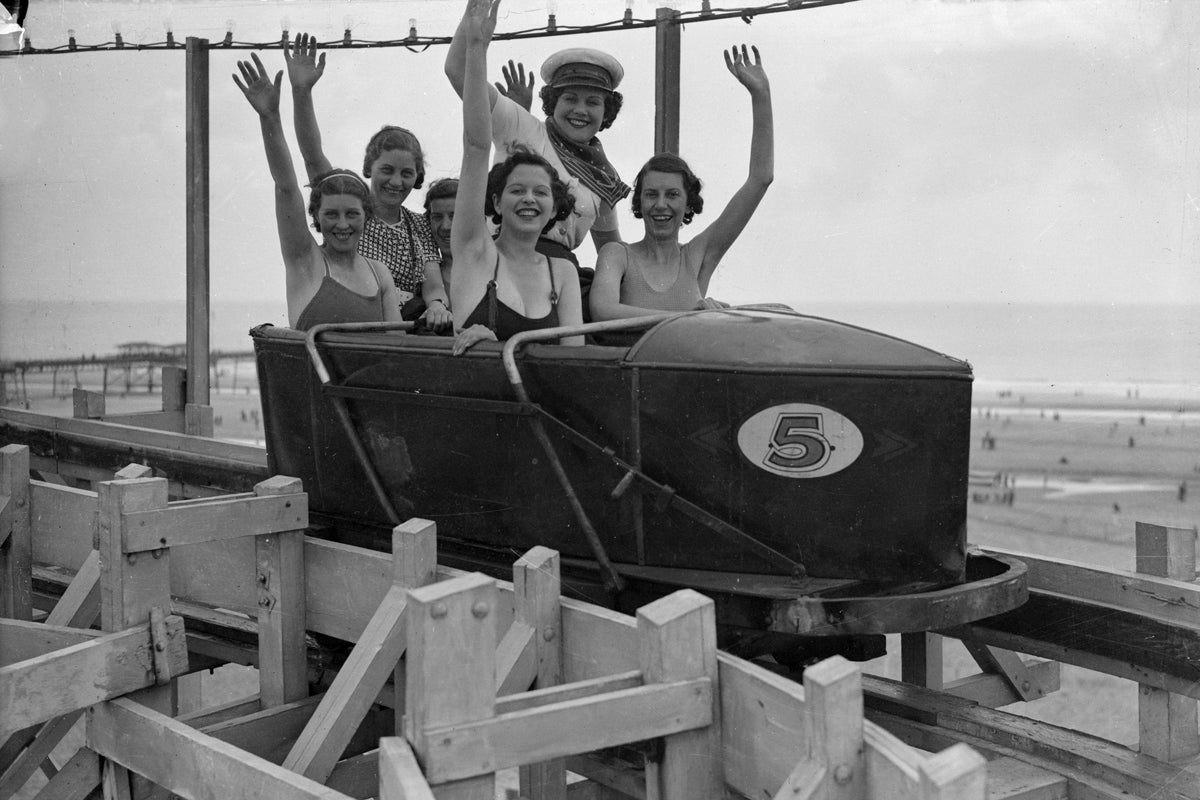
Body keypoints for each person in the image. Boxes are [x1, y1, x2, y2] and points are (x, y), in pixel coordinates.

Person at [445, 11, 630, 315]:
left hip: (558, 282)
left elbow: (610, 253)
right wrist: (471, 22)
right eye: (570, 98)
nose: (580, 110)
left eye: (593, 102)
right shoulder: (522, 126)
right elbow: (456, 71)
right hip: (496, 267)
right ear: (552, 102)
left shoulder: (605, 178)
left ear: (606, 112)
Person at [589, 45, 773, 322]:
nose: (660, 204)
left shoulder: (698, 255)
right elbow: (603, 311)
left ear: (688, 202)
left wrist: (761, 96)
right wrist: (687, 316)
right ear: (639, 201)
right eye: (651, 194)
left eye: (672, 194)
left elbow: (760, 179)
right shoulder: (617, 255)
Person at [284, 34, 448, 330]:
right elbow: (312, 156)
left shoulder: (419, 226)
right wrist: (301, 92)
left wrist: (437, 304)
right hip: (357, 318)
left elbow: (432, 282)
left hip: (402, 329)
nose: (396, 182)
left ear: (417, 177)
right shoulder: (351, 209)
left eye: (406, 174)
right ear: (369, 168)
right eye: (387, 169)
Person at [450, 0, 583, 356]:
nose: (529, 199)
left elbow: (575, 364)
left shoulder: (563, 273)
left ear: (554, 207)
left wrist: (505, 347)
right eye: (517, 190)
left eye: (541, 192)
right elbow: (477, 146)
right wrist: (477, 47)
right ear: (496, 201)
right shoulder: (474, 251)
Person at [232, 54, 401, 330]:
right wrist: (269, 117)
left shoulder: (379, 273)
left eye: (352, 214)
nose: (343, 224)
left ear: (366, 217)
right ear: (316, 217)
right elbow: (286, 187)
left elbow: (396, 347)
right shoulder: (306, 261)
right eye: (332, 214)